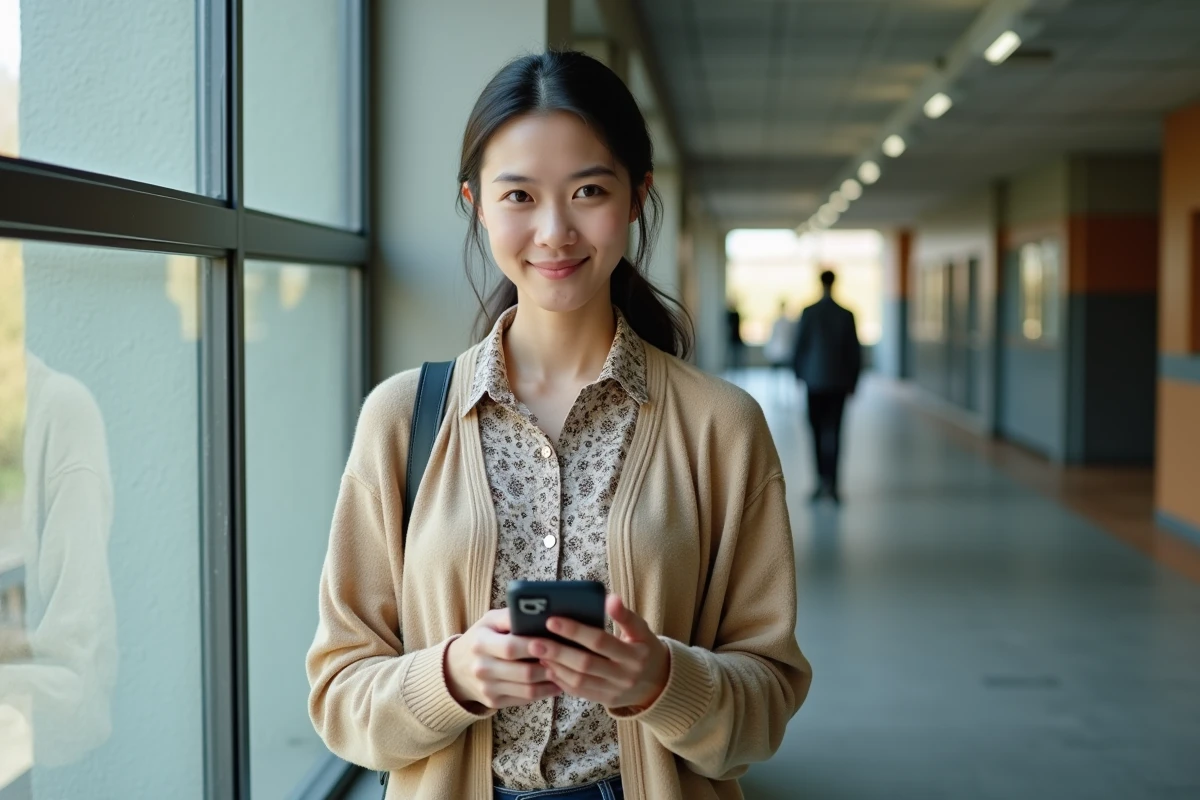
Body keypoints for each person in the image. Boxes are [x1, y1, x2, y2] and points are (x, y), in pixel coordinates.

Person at [306, 51, 811, 800]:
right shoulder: (402, 419)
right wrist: (451, 677)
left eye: (588, 191)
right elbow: (338, 697)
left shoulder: (722, 427)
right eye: (519, 195)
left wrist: (661, 680)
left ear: (637, 197)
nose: (554, 231)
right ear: (477, 203)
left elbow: (765, 708)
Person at [791, 271, 861, 504]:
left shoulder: (809, 312)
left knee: (816, 432)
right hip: (839, 383)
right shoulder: (846, 314)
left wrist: (798, 374)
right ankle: (834, 485)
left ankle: (820, 482)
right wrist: (854, 381)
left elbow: (799, 346)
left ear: (820, 283)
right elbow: (854, 351)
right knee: (836, 432)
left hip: (814, 383)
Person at [724, 302, 745, 373]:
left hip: (736, 338)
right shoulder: (730, 315)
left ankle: (738, 369)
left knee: (738, 356)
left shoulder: (735, 315)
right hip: (733, 338)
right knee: (734, 356)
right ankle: (733, 368)